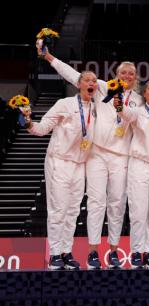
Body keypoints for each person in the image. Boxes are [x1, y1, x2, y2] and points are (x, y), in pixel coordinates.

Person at [39, 47, 143, 269]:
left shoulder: (139, 101)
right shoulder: (102, 87)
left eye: (131, 74)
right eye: (123, 73)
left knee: (117, 203)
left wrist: (121, 107)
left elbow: (133, 118)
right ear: (116, 75)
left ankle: (114, 250)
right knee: (96, 203)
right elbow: (73, 75)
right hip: (96, 154)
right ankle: (93, 251)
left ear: (135, 78)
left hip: (121, 157)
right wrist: (49, 58)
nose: (126, 76)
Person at [24, 71, 98, 270]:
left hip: (80, 164)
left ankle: (66, 252)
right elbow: (41, 129)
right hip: (59, 162)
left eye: (94, 80)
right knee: (58, 210)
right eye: (87, 80)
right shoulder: (64, 104)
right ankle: (55, 253)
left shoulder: (96, 109)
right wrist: (28, 122)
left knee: (73, 212)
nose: (92, 83)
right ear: (79, 84)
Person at [114, 80, 149, 269]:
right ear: (144, 95)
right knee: (138, 212)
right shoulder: (138, 112)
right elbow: (125, 113)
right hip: (140, 165)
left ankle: (148, 251)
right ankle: (136, 252)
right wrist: (119, 104)